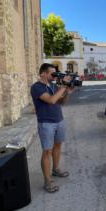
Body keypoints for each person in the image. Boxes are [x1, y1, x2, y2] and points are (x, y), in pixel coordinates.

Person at [30, 63, 75, 193]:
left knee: (58, 146)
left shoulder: (54, 85)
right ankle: (47, 181)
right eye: (52, 73)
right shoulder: (36, 87)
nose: (55, 75)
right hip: (46, 123)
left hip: (59, 120)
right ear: (43, 73)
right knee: (47, 151)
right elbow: (50, 100)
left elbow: (60, 101)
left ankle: (55, 170)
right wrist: (64, 86)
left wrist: (67, 92)